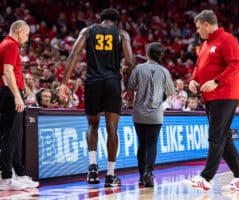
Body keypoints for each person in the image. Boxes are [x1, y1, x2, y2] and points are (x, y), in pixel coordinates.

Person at [60, 8, 134, 187]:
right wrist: (130, 87)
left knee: (92, 125)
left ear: (101, 20)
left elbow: (73, 55)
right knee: (112, 128)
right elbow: (130, 61)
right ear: (116, 22)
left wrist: (64, 82)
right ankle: (110, 175)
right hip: (112, 83)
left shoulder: (87, 31)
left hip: (92, 82)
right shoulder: (121, 34)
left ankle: (92, 169)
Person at [185, 10, 239, 191]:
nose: (197, 31)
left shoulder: (227, 39)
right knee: (224, 137)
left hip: (224, 95)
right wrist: (193, 79)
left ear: (206, 24)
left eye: (198, 28)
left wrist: (216, 81)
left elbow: (235, 64)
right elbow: (199, 65)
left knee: (216, 136)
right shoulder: (206, 44)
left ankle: (206, 178)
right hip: (211, 97)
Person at [126, 42, 175, 187]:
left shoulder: (138, 69)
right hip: (156, 114)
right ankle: (149, 172)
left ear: (147, 53)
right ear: (160, 55)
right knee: (152, 144)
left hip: (139, 112)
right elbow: (171, 91)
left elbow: (130, 88)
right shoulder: (164, 71)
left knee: (142, 144)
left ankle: (142, 176)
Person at [0, 20, 39, 190]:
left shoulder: (5, 44)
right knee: (10, 137)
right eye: (26, 34)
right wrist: (17, 96)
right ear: (18, 31)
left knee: (17, 136)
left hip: (11, 93)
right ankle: (6, 177)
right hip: (10, 95)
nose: (27, 38)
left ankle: (20, 174)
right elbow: (7, 71)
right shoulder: (11, 45)